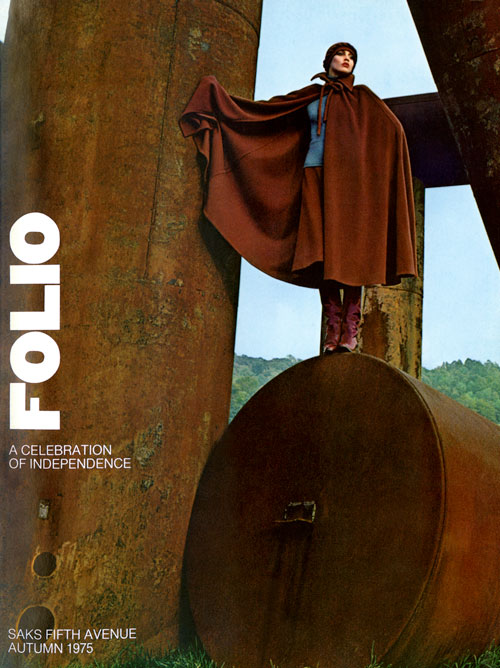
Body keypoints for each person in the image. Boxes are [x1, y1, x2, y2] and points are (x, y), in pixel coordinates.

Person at [180, 42, 417, 354]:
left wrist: (370, 170)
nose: (346, 59)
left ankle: (350, 330)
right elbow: (266, 112)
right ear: (328, 59)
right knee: (320, 254)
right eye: (341, 54)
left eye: (351, 57)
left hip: (347, 188)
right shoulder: (310, 95)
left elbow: (393, 129)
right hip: (312, 176)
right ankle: (332, 329)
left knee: (351, 256)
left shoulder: (364, 99)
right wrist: (220, 100)